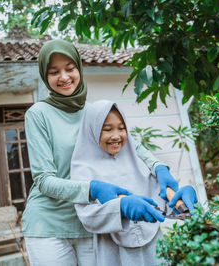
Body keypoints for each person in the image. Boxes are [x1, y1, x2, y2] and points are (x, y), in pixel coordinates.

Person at [21, 39, 183, 266]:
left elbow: (132, 146)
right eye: (54, 72)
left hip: (94, 220)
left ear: (79, 68)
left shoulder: (94, 111)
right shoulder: (39, 114)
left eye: (70, 69)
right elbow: (44, 180)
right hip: (49, 224)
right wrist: (93, 188)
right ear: (45, 76)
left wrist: (160, 168)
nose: (64, 77)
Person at [70, 100, 198, 265]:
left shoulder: (138, 161)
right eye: (107, 129)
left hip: (154, 247)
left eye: (122, 128)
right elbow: (87, 216)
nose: (116, 135)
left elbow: (161, 203)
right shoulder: (83, 168)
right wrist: (120, 207)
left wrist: (182, 200)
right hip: (114, 253)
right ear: (92, 131)